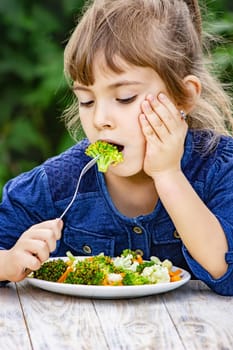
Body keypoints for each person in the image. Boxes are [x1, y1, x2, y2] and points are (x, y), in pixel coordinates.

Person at [0, 0, 233, 296]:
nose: (100, 120)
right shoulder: (58, 185)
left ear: (183, 97)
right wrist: (8, 261)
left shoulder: (220, 168)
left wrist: (168, 174)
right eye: (86, 100)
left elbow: (225, 271)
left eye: (124, 98)